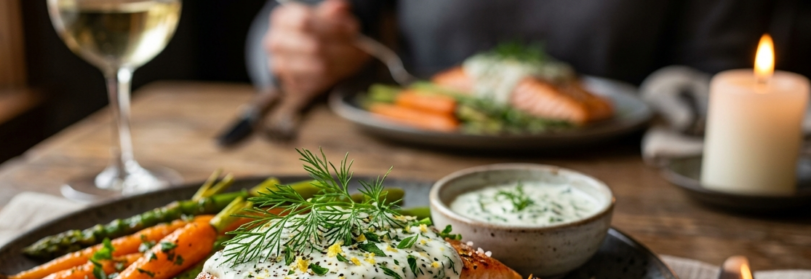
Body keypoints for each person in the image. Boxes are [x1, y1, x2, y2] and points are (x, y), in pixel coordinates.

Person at [246, 0, 811, 101]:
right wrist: (298, 48)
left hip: (621, 181)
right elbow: (294, 26)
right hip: (404, 158)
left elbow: (719, 80)